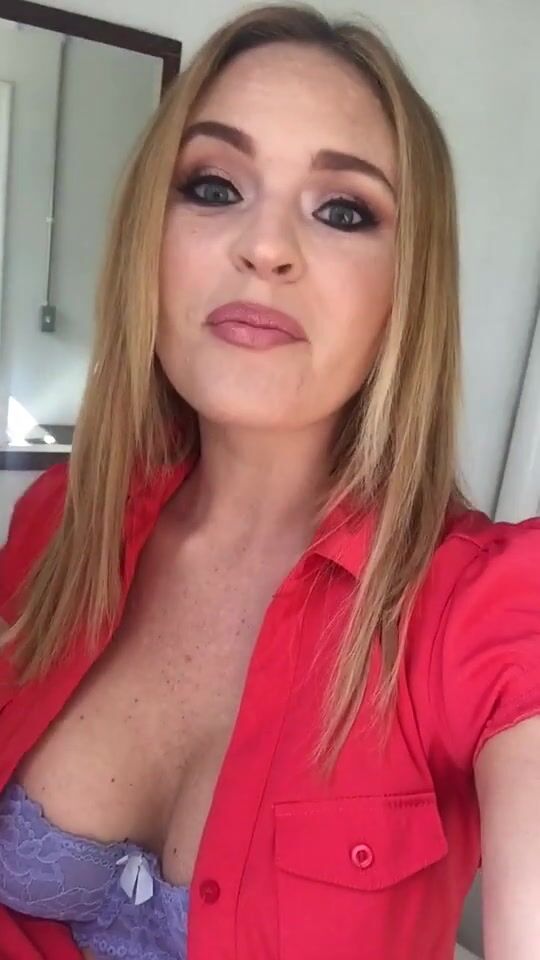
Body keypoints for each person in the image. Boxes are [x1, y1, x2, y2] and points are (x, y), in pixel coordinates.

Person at [0, 4, 539, 959]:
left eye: (343, 210)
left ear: (405, 291)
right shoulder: (60, 518)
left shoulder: (480, 606)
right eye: (213, 187)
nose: (265, 247)